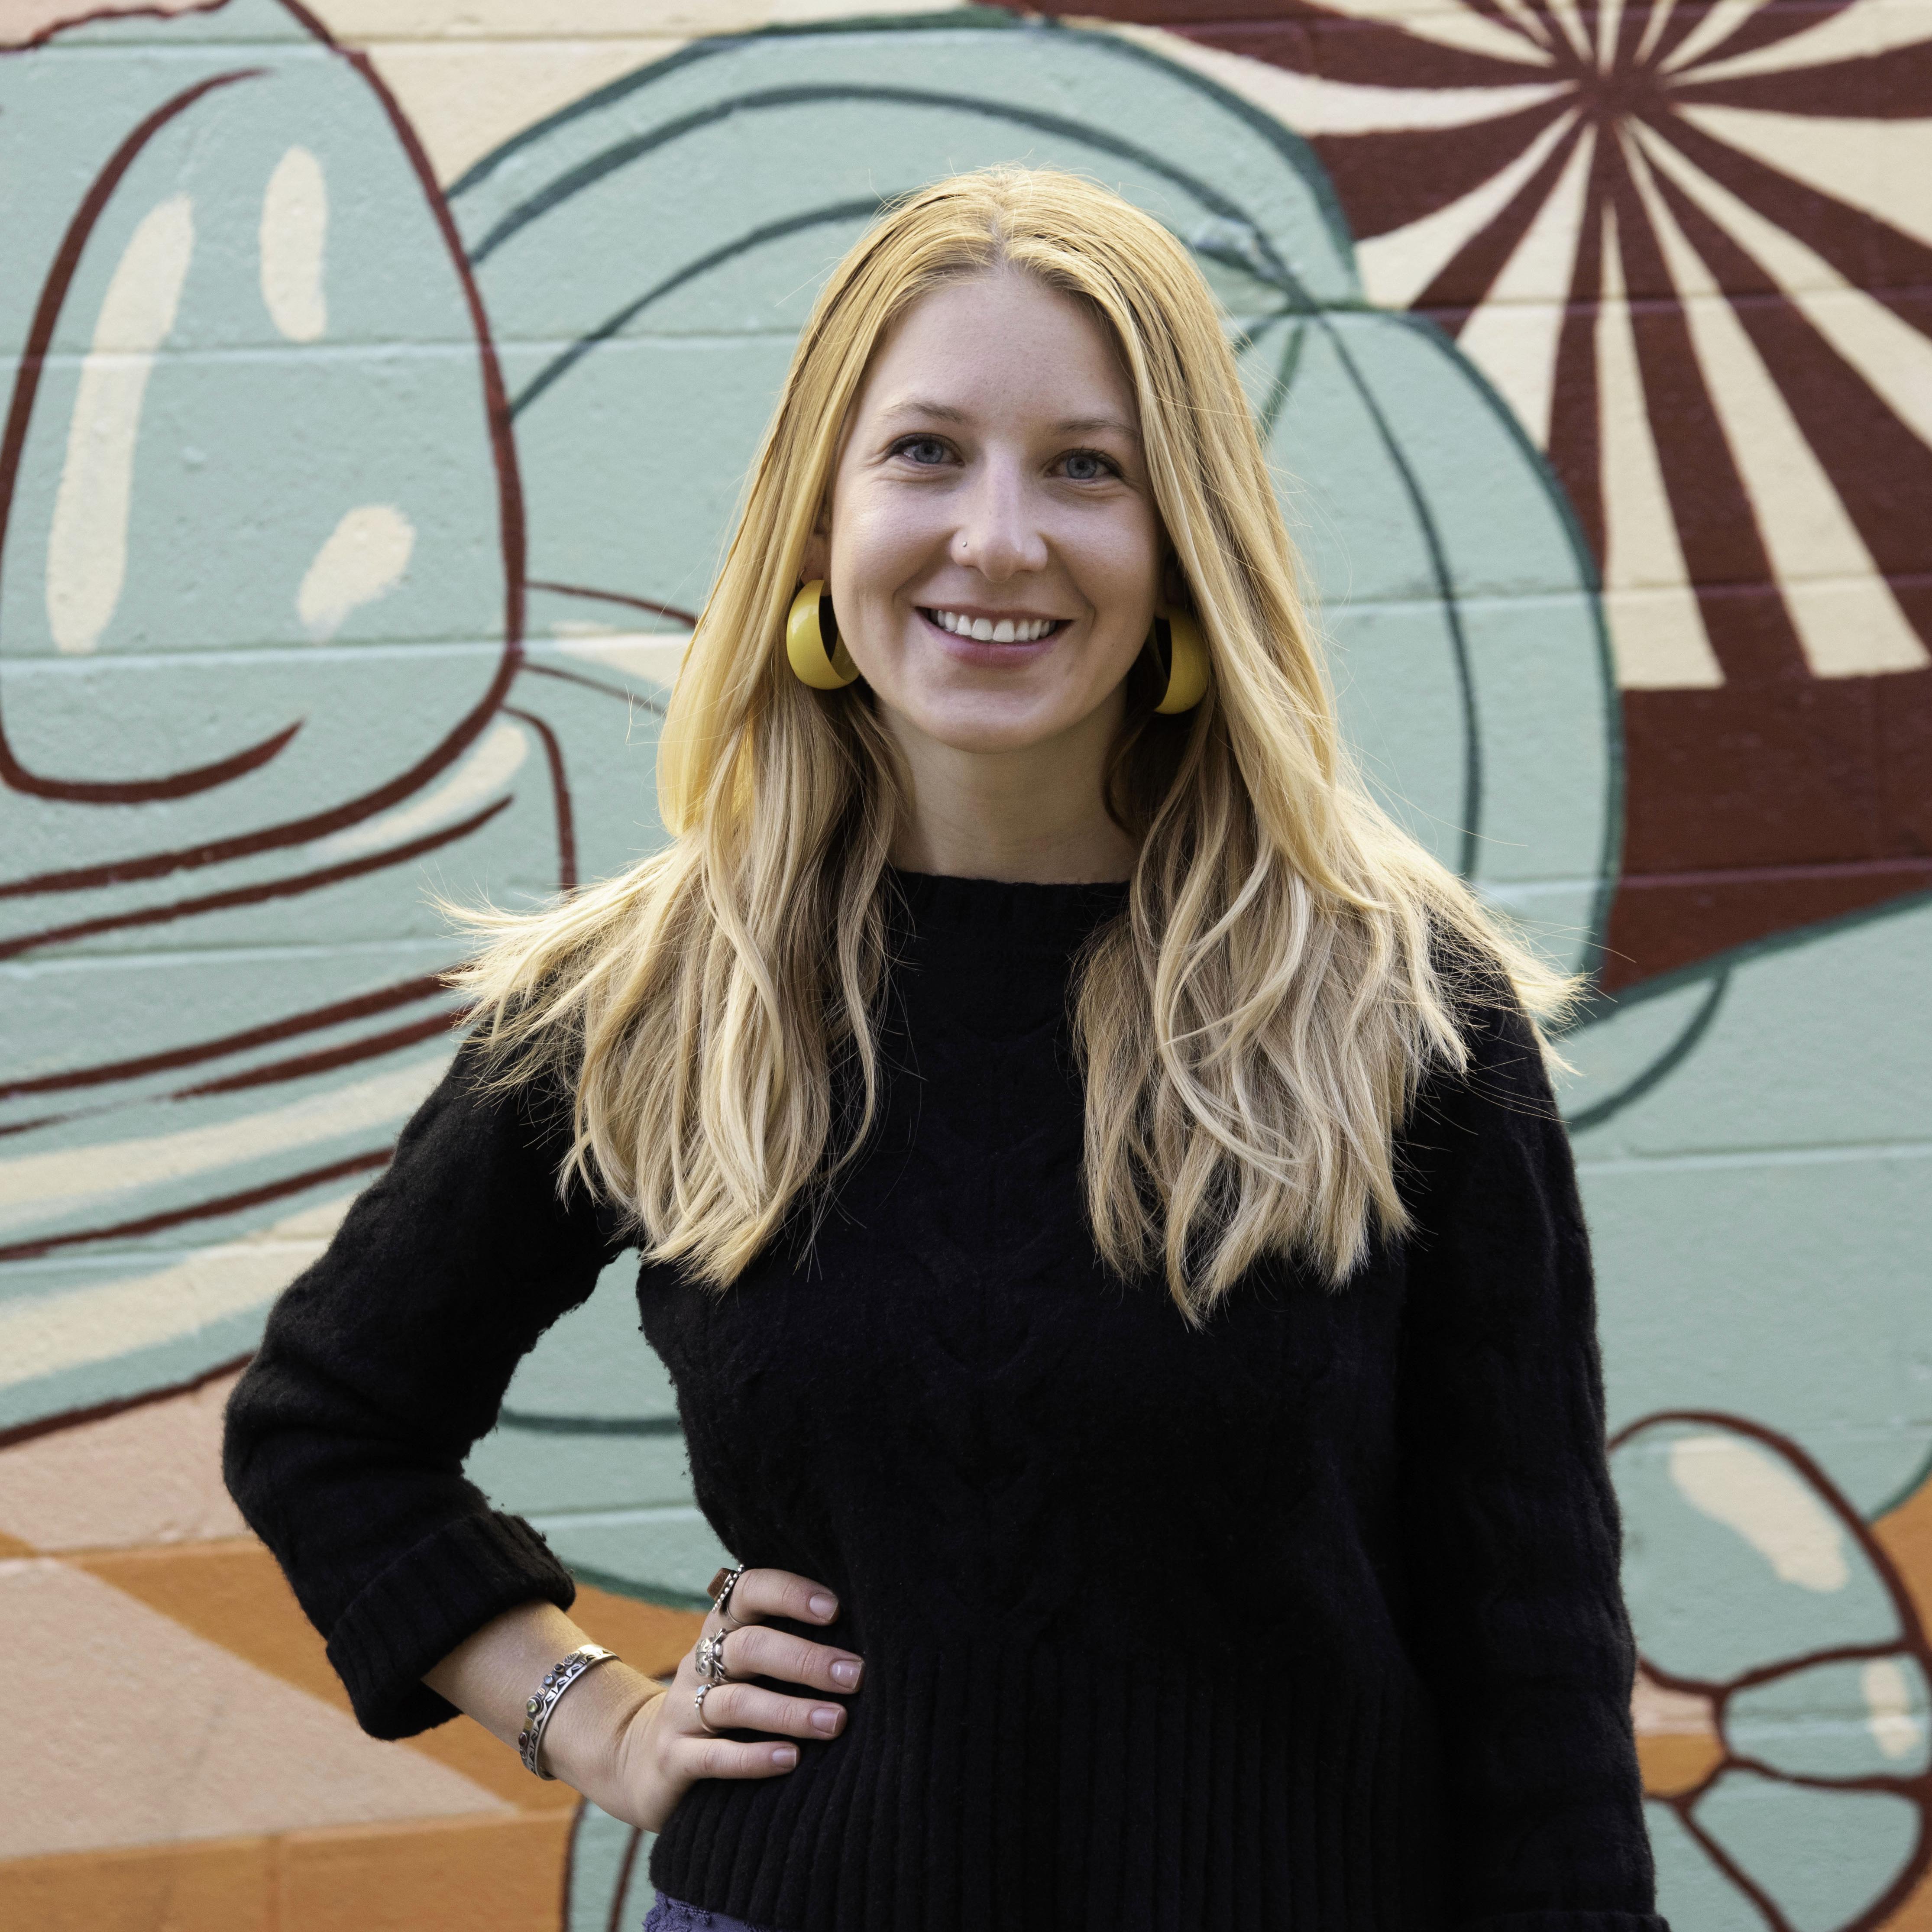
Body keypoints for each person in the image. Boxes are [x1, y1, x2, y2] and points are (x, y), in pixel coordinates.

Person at [223, 165, 1667, 1932]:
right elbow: (327, 1424)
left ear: (1183, 539)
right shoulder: (658, 996)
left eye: (1086, 465)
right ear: (818, 517)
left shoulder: (1387, 1003)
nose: (998, 538)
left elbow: (1532, 1635)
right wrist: (587, 1718)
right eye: (924, 453)